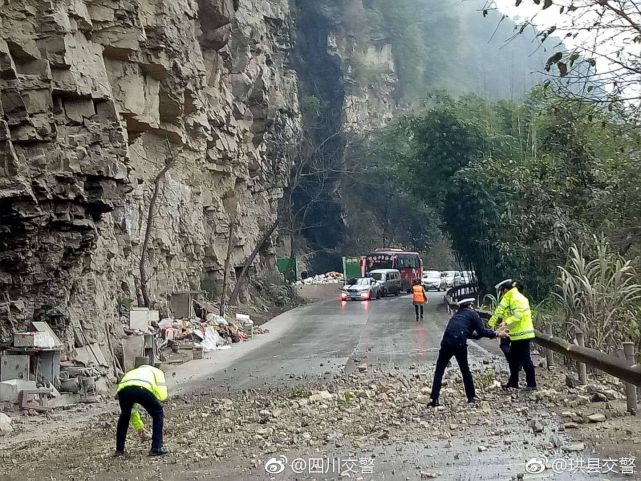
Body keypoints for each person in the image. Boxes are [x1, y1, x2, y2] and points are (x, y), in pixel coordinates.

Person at [428, 298, 507, 406]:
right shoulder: (472, 314)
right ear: (470, 306)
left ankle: (434, 399)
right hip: (459, 344)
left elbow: (466, 332)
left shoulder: (456, 315)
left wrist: (478, 336)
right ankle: (471, 397)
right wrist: (497, 334)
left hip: (446, 342)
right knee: (465, 370)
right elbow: (482, 331)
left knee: (439, 370)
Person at [488, 279, 536, 391]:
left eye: (502, 292)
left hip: (522, 334)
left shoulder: (517, 298)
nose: (502, 295)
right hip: (517, 335)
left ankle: (532, 384)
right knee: (513, 359)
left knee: (525, 360)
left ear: (505, 290)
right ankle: (513, 382)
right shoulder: (513, 297)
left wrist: (506, 322)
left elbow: (518, 316)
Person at [115, 364, 170, 457]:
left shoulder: (133, 372)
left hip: (123, 391)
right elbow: (162, 395)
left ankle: (119, 450)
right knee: (158, 413)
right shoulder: (157, 372)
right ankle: (156, 448)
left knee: (124, 417)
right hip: (141, 389)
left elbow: (133, 409)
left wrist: (139, 426)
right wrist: (155, 400)